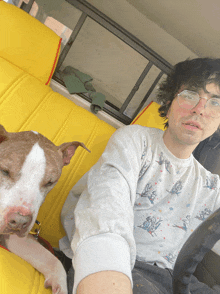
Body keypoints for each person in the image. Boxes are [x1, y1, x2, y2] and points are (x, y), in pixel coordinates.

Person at [60, 58, 220, 294]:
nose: (200, 109)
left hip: (174, 280)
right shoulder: (135, 142)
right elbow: (106, 209)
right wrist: (109, 277)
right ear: (169, 101)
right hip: (122, 264)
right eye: (189, 94)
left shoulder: (211, 187)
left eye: (215, 102)